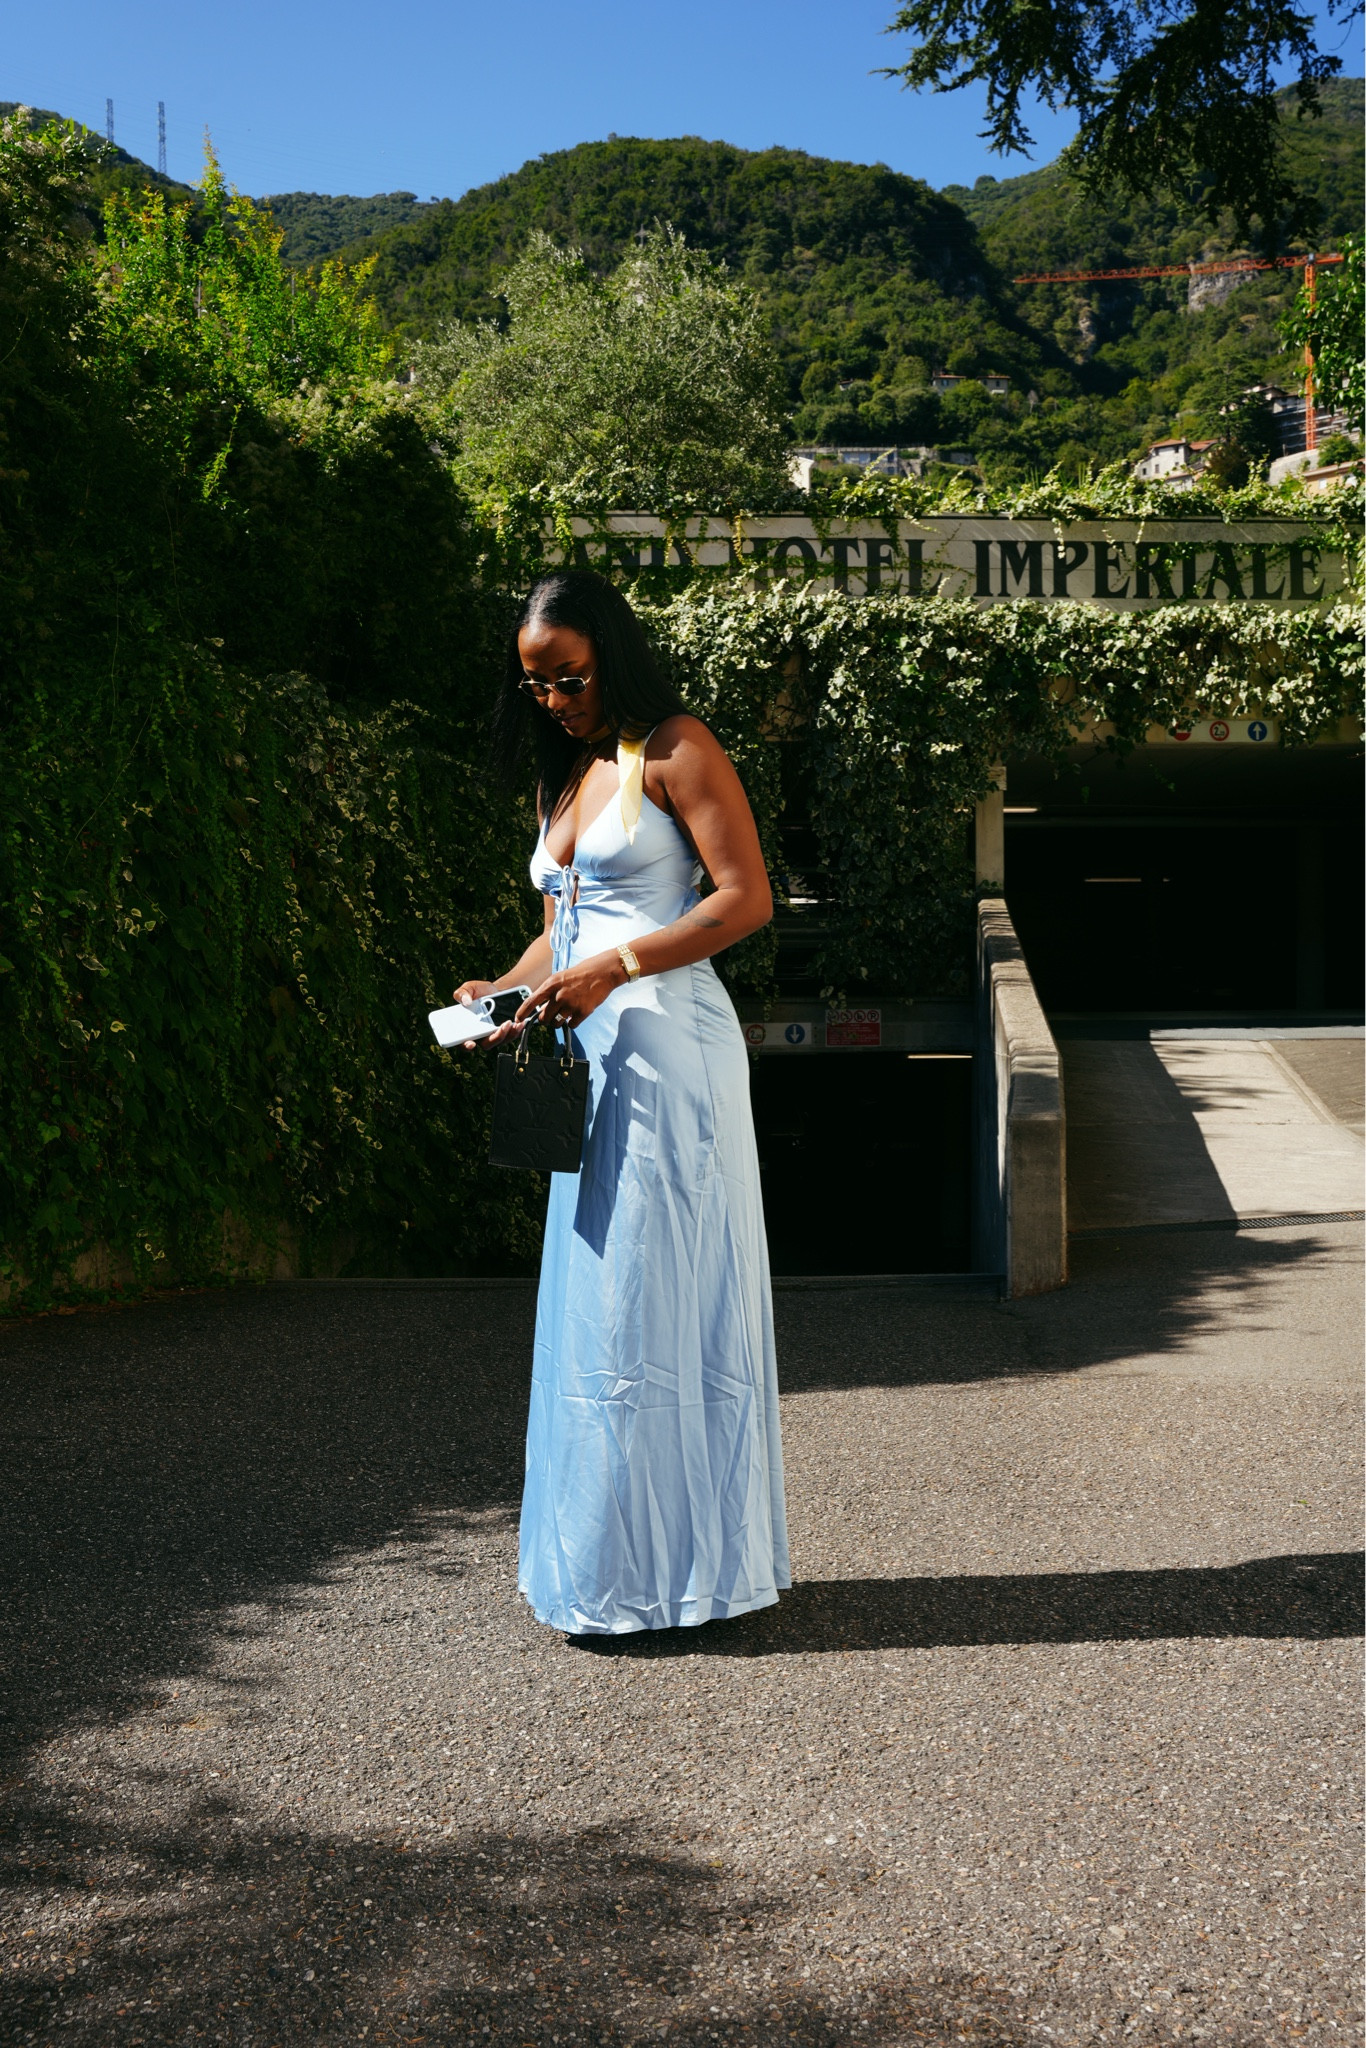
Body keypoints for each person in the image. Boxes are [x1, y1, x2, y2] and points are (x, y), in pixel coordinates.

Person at [452, 568, 789, 1641]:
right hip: (586, 1057)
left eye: (568, 675)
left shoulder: (675, 745)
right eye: (535, 686)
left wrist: (621, 966)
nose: (553, 699)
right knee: (601, 1307)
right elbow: (565, 929)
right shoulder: (567, 772)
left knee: (661, 1295)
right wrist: (504, 992)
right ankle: (608, 1573)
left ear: (611, 649)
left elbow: (745, 898)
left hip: (668, 1050)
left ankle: (691, 1579)